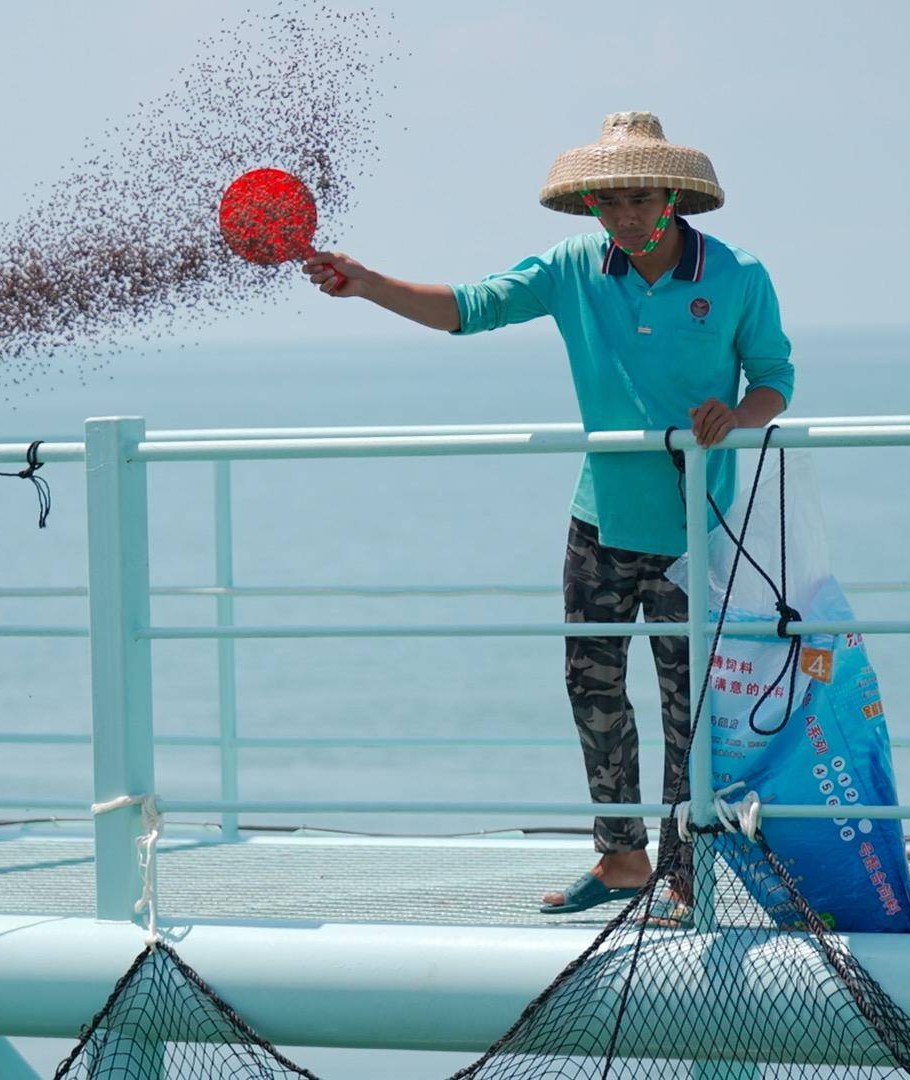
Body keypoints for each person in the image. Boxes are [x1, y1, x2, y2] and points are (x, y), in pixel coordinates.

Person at [303, 112, 794, 917]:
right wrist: (368, 283)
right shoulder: (573, 265)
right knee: (591, 686)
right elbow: (470, 308)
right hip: (598, 520)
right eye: (608, 202)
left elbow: (775, 380)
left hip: (696, 530)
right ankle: (621, 859)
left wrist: (737, 416)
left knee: (689, 709)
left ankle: (685, 872)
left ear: (673, 195)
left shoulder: (739, 276)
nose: (625, 216)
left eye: (638, 198)